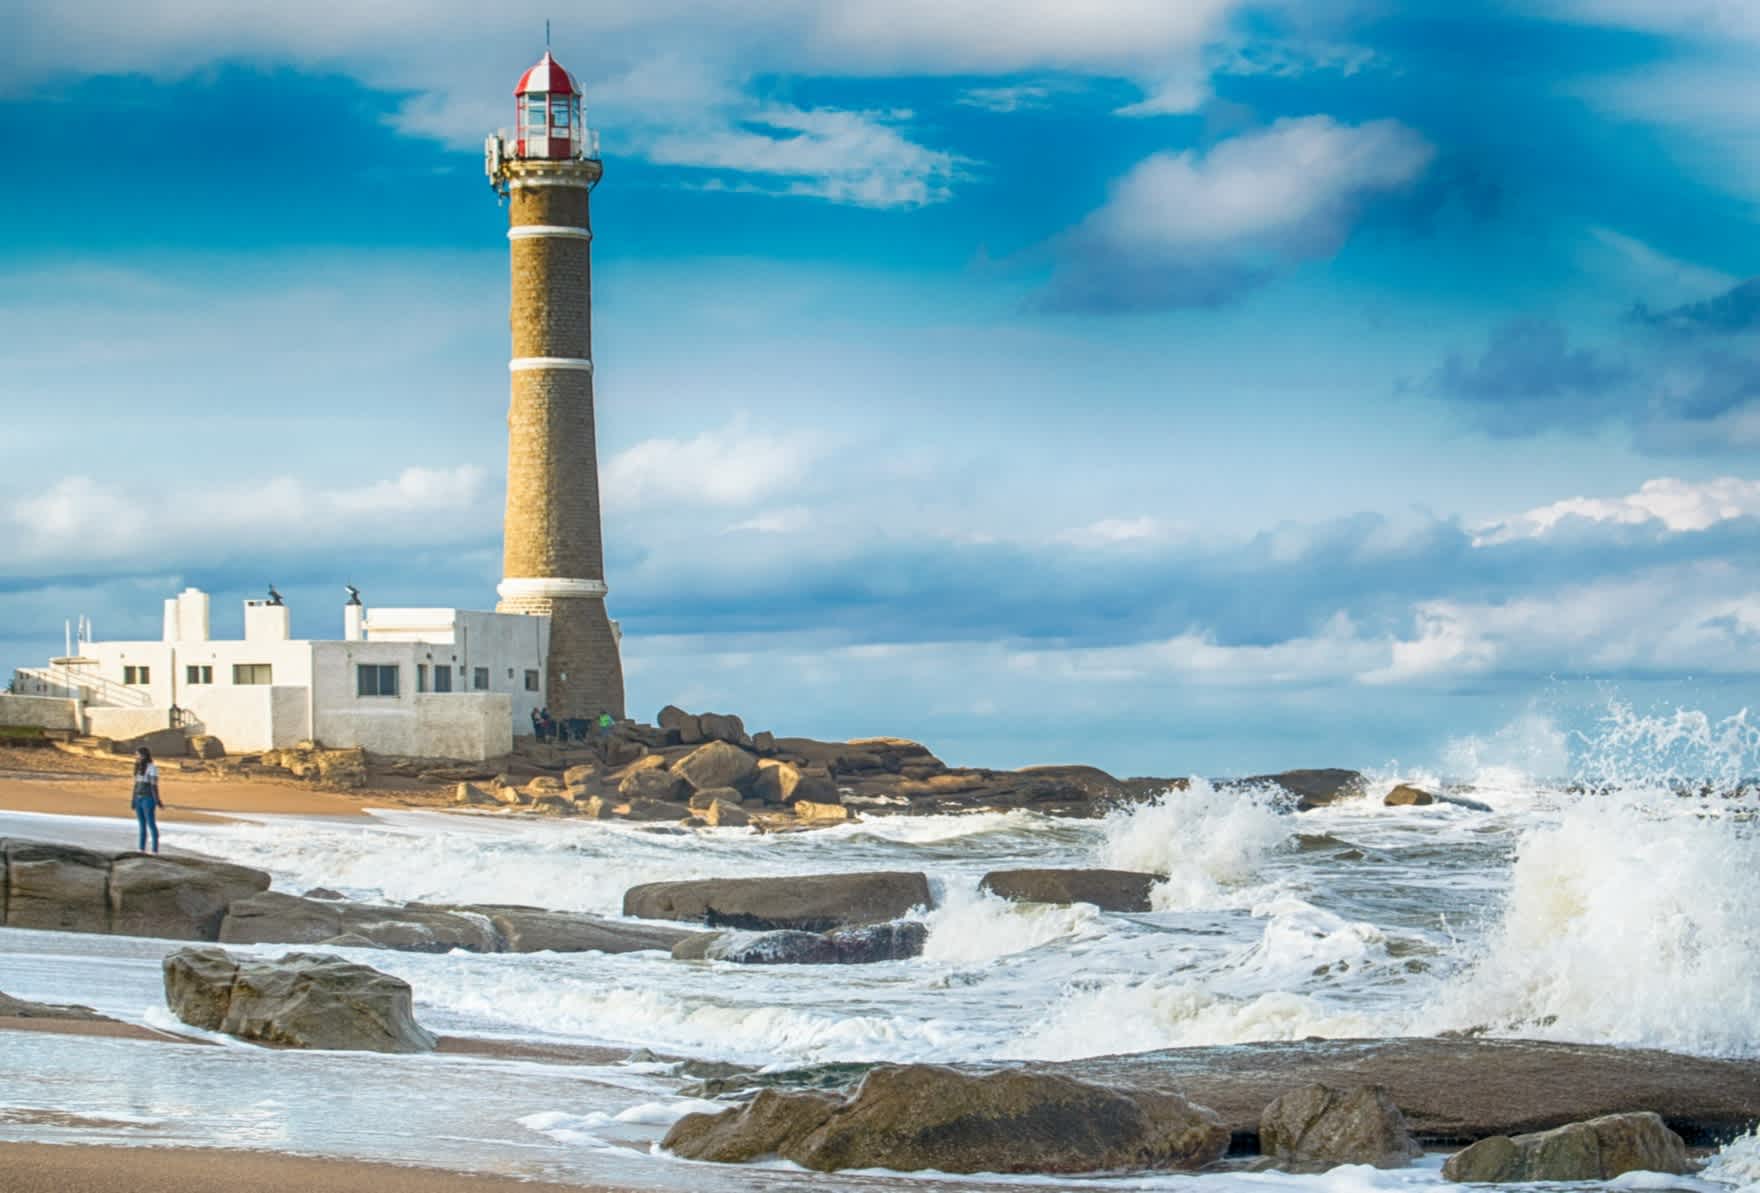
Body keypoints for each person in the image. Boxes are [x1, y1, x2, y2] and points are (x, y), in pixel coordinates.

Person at [131, 747, 163, 853]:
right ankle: (141, 849)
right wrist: (133, 800)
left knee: (151, 824)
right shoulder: (137, 767)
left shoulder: (152, 768)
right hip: (138, 798)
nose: (136, 757)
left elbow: (154, 786)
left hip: (148, 799)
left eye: (138, 755)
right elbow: (135, 785)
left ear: (144, 756)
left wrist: (157, 800)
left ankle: (154, 850)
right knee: (142, 825)